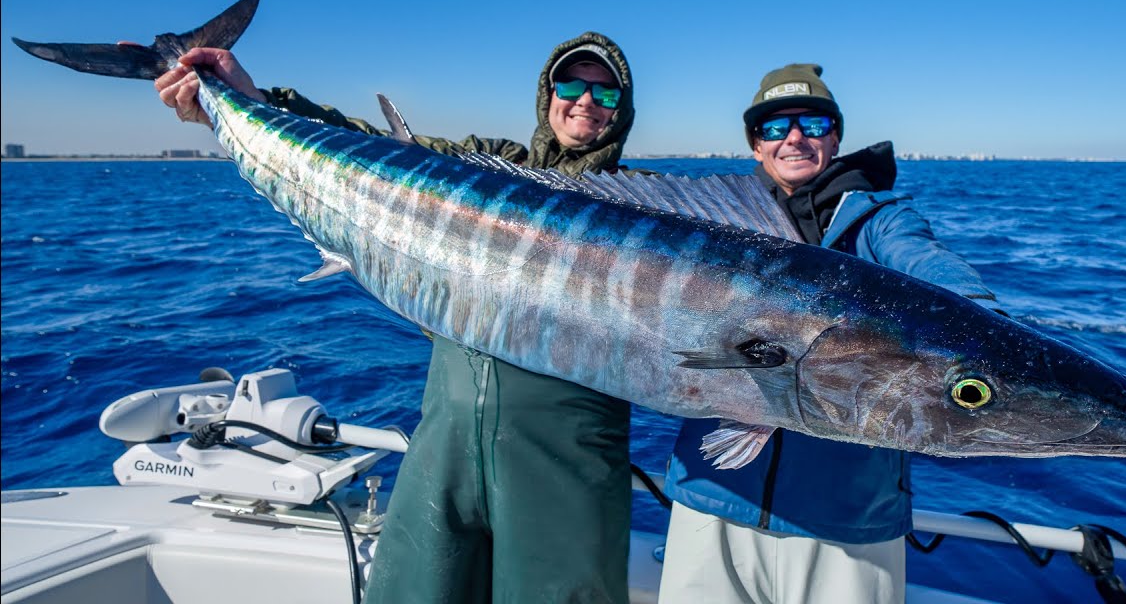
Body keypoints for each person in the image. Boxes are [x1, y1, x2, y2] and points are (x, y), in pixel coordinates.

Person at [154, 33, 637, 603]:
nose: (585, 100)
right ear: (548, 94)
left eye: (605, 93)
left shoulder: (641, 206)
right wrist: (248, 97)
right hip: (444, 449)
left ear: (622, 111)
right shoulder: (489, 167)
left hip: (565, 468)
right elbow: (367, 150)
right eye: (572, 84)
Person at [659, 64, 1003, 604]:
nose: (793, 138)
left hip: (844, 521)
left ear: (836, 136)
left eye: (812, 122)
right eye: (773, 128)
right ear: (755, 146)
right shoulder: (716, 228)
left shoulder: (880, 221)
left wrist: (982, 322)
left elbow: (934, 269)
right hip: (712, 496)